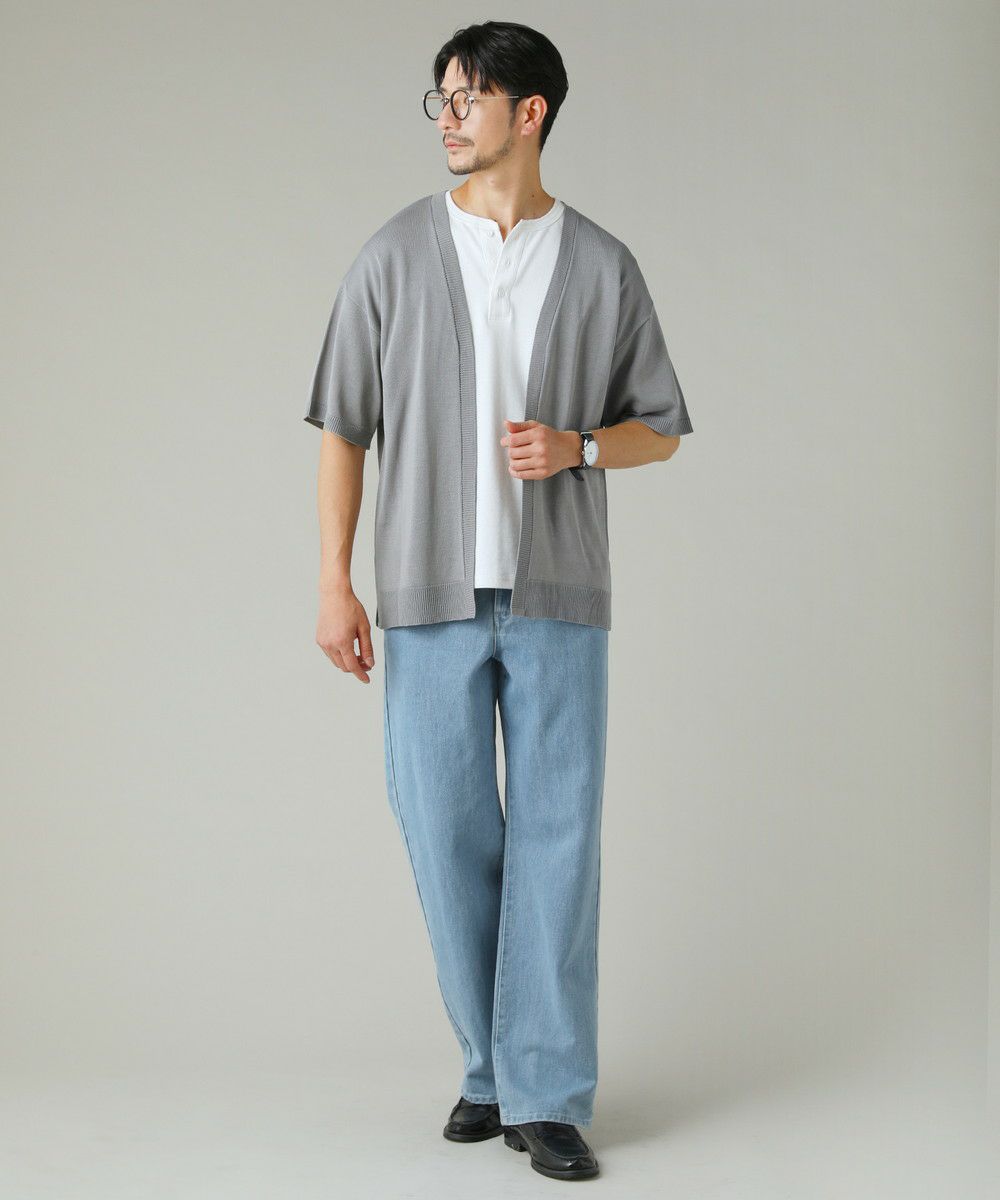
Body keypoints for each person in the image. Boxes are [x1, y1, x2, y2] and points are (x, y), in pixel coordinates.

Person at [304, 20, 693, 1183]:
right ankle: (491, 1065)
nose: (447, 117)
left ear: (530, 113)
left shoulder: (602, 266)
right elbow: (343, 426)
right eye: (439, 98)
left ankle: (545, 1095)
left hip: (559, 595)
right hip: (425, 595)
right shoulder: (392, 255)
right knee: (446, 832)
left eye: (467, 97)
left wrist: (579, 446)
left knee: (559, 844)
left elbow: (661, 429)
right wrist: (332, 579)